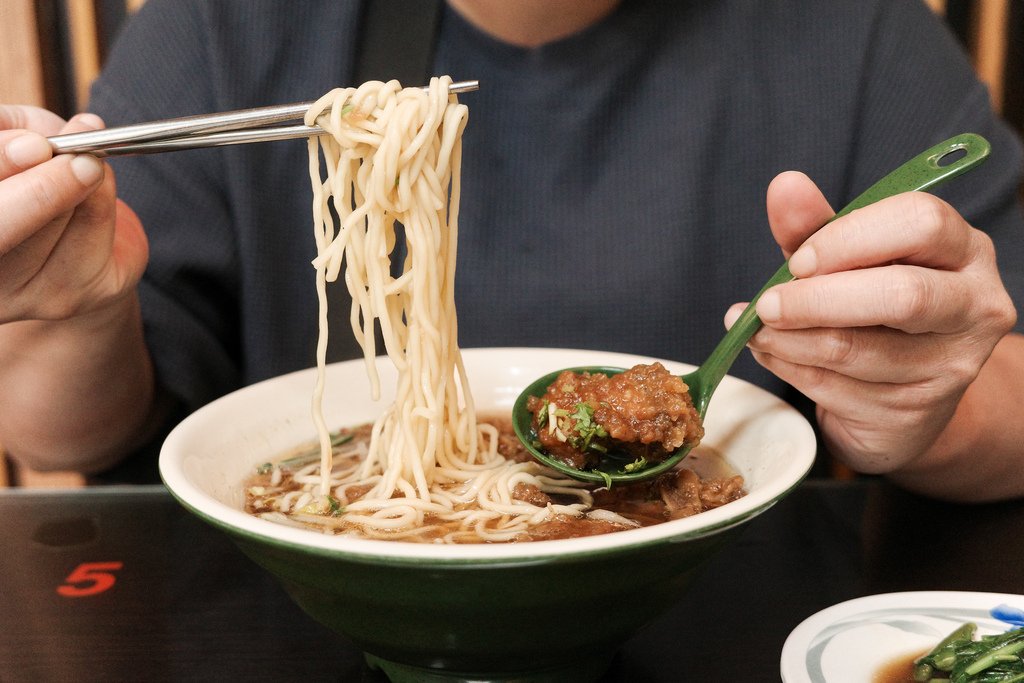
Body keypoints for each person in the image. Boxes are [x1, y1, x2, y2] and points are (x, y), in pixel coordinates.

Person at [0, 0, 1022, 500]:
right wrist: (72, 304)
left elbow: (1008, 385)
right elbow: (72, 434)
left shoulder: (849, 31)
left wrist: (924, 406)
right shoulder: (228, 21)